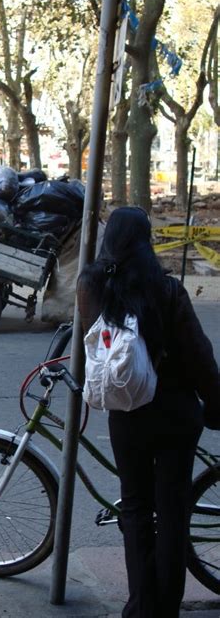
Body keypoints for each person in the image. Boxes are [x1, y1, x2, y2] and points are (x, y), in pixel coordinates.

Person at [76, 206, 220, 618]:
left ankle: (140, 606)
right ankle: (166, 608)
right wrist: (215, 406)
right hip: (177, 416)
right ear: (146, 241)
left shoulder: (92, 286)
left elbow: (91, 344)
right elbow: (199, 356)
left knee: (136, 508)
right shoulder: (167, 289)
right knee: (173, 512)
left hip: (128, 416)